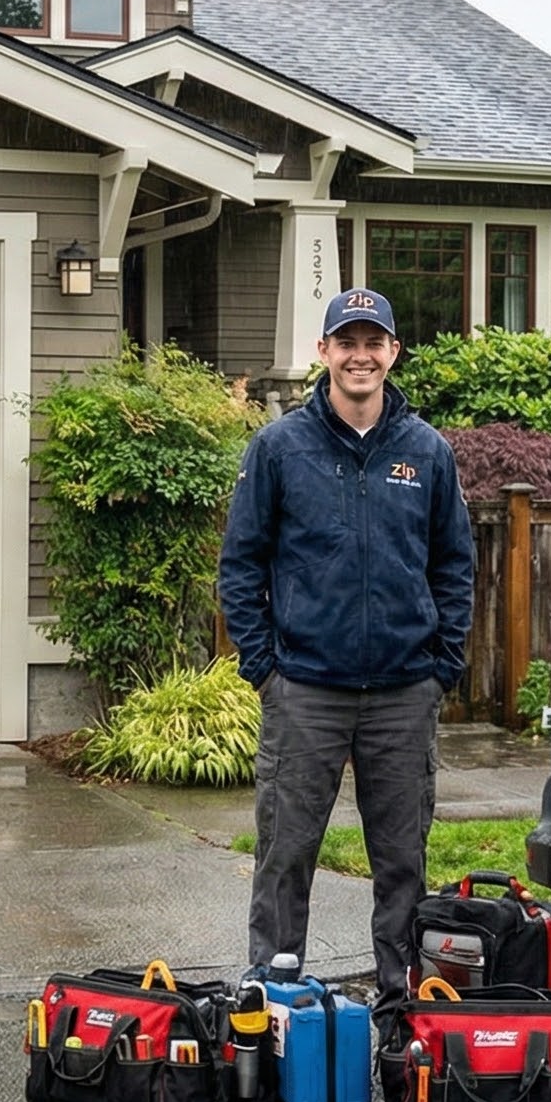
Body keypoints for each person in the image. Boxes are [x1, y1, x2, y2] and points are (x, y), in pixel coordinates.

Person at [219, 287, 475, 995]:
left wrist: (441, 667)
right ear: (324, 352)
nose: (360, 355)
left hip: (402, 692)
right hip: (305, 690)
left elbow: (454, 565)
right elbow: (240, 564)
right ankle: (275, 988)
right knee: (285, 850)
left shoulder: (426, 452)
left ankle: (400, 994)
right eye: (347, 341)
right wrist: (265, 667)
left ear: (393, 352)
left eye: (374, 342)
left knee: (401, 859)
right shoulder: (278, 448)